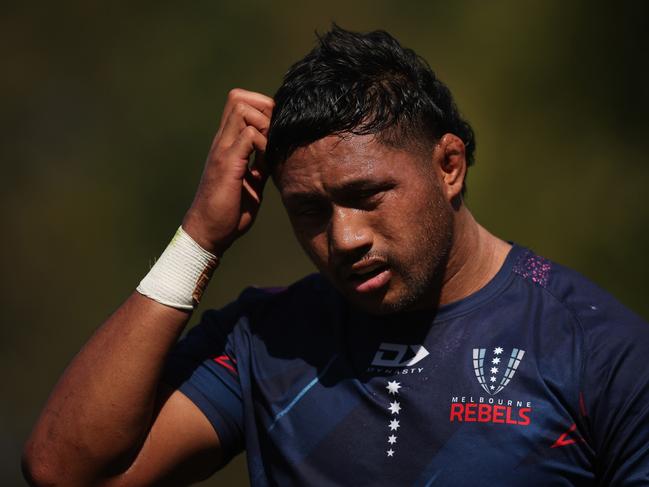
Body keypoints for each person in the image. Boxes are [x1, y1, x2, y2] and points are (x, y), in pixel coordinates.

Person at [22, 25, 649, 487]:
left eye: (367, 195)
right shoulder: (269, 341)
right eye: (310, 211)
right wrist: (197, 239)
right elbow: (63, 472)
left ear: (449, 166)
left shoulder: (599, 350)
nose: (344, 238)